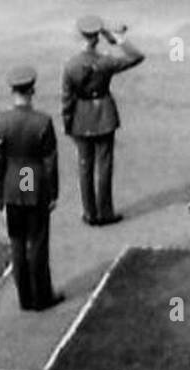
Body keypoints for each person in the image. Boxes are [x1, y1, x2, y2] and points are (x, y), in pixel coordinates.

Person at [0, 65, 62, 311]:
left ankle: (25, 297)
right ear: (32, 89)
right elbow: (50, 162)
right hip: (32, 179)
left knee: (17, 243)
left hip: (12, 184)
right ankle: (42, 296)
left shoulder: (1, 121)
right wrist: (53, 193)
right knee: (38, 242)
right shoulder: (42, 121)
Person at [61, 15, 145, 226]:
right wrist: (118, 39)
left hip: (81, 116)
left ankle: (89, 212)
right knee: (104, 165)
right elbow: (136, 56)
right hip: (104, 114)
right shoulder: (106, 61)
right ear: (97, 38)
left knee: (84, 166)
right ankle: (105, 211)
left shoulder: (71, 65)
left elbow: (66, 99)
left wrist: (68, 124)